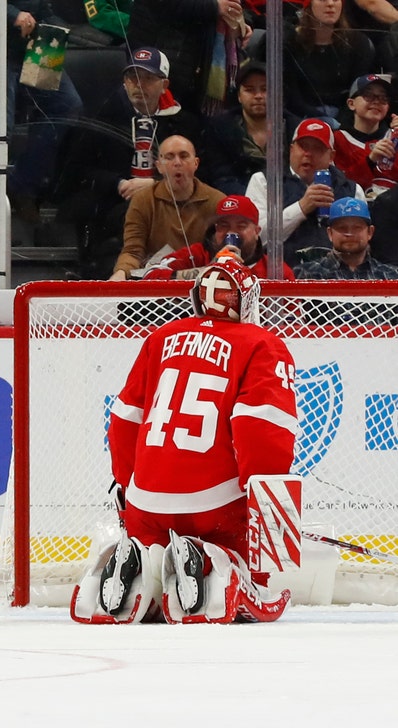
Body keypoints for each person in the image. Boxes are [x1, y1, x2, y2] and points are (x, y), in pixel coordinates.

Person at [72, 258, 296, 624]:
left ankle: (144, 557)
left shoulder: (161, 338)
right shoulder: (262, 343)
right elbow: (261, 428)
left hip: (147, 502)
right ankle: (212, 561)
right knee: (238, 546)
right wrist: (265, 501)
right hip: (216, 508)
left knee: (151, 535)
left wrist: (128, 487)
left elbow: (125, 419)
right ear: (247, 300)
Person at [56, 48, 202, 279]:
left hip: (171, 199)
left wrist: (155, 185)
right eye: (132, 78)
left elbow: (199, 170)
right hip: (111, 201)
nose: (138, 85)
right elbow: (75, 170)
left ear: (164, 85)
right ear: (124, 81)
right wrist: (118, 183)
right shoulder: (99, 116)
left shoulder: (185, 123)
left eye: (148, 78)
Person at [0, 0, 82, 238]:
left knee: (65, 106)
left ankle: (22, 185)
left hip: (34, 44)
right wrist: (12, 15)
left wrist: (53, 24)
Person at [245, 117, 367, 264]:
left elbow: (363, 244)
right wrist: (301, 208)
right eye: (303, 146)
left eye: (317, 148)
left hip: (335, 276)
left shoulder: (351, 190)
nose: (308, 154)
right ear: (291, 150)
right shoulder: (264, 181)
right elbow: (255, 239)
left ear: (331, 156)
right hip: (281, 275)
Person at [112, 135, 225, 279]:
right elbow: (133, 251)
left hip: (204, 284)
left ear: (196, 163)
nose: (177, 163)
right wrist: (121, 274)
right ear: (159, 166)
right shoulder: (143, 200)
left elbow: (223, 252)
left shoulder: (218, 201)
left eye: (184, 156)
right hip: (157, 285)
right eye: (169, 157)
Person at [125, 0, 249, 116]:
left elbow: (237, 4)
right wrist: (213, 6)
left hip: (199, 62)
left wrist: (244, 22)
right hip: (160, 54)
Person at [141, 193, 296, 279]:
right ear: (216, 229)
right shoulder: (197, 255)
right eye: (224, 226)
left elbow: (294, 321)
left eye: (241, 226)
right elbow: (150, 275)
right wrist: (208, 271)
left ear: (257, 231)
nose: (231, 233)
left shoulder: (275, 270)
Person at [266, 0, 374, 120]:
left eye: (336, 0)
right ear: (308, 5)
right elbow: (292, 97)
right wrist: (320, 120)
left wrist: (341, 121)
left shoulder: (359, 43)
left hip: (346, 116)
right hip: (300, 117)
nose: (330, 4)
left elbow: (358, 91)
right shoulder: (289, 43)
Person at [200, 63, 289, 196]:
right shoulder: (219, 130)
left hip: (288, 202)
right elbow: (222, 179)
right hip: (240, 204)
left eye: (265, 89)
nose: (258, 96)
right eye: (249, 89)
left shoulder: (293, 127)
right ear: (239, 96)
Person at [296, 197, 398, 279]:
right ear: (330, 233)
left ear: (370, 232)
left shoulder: (391, 276)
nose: (349, 234)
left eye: (357, 228)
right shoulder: (306, 275)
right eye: (342, 228)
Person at [332, 74, 398, 199]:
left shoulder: (395, 137)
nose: (377, 101)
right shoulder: (337, 139)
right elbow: (339, 187)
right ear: (351, 104)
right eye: (368, 95)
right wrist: (370, 160)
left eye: (383, 97)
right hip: (352, 213)